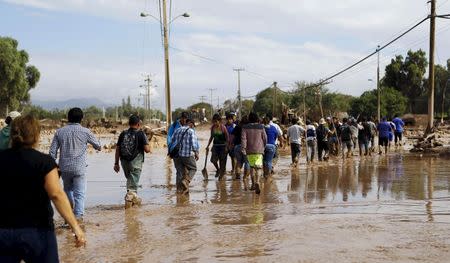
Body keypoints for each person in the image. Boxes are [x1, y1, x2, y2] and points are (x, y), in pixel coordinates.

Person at [0, 115, 86, 262]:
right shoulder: (45, 162)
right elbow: (56, 195)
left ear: (12, 134)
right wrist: (75, 227)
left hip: (4, 232)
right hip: (38, 231)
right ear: (36, 135)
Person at [50, 107, 101, 220]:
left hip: (64, 168)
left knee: (67, 190)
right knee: (80, 193)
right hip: (79, 168)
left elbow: (52, 152)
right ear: (81, 119)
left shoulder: (59, 132)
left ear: (68, 118)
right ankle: (78, 217)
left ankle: (69, 211)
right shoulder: (85, 131)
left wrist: (52, 167)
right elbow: (98, 146)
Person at [114, 115, 151, 207]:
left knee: (130, 183)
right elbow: (147, 150)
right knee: (132, 188)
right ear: (138, 124)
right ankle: (130, 204)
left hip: (124, 162)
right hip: (136, 163)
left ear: (129, 124)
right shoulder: (141, 134)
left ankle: (133, 206)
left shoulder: (123, 133)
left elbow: (117, 149)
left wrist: (116, 163)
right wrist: (148, 145)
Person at [171, 118, 200, 195]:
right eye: (193, 125)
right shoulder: (191, 131)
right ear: (190, 123)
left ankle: (179, 191)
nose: (193, 127)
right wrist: (196, 153)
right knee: (193, 168)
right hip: (187, 154)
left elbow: (172, 141)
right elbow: (194, 144)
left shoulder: (178, 130)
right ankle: (186, 181)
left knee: (179, 172)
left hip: (177, 155)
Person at [241, 112, 267, 194]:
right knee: (259, 167)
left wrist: (243, 148)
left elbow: (243, 139)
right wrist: (264, 146)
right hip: (259, 150)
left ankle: (252, 184)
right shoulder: (261, 127)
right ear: (257, 118)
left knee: (252, 167)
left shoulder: (245, 127)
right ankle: (257, 181)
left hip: (249, 150)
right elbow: (265, 138)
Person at [205, 113, 229, 180]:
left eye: (216, 121)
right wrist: (208, 145)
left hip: (223, 146)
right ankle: (218, 169)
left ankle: (221, 176)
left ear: (219, 121)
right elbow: (211, 137)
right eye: (214, 121)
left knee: (222, 162)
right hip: (215, 146)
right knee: (213, 160)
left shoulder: (223, 127)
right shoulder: (213, 127)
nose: (215, 123)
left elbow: (227, 137)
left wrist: (227, 146)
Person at [232, 116, 250, 180]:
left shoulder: (237, 127)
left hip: (237, 146)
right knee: (247, 162)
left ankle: (238, 176)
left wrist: (231, 144)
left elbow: (232, 136)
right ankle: (245, 177)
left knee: (239, 162)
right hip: (246, 147)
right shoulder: (248, 128)